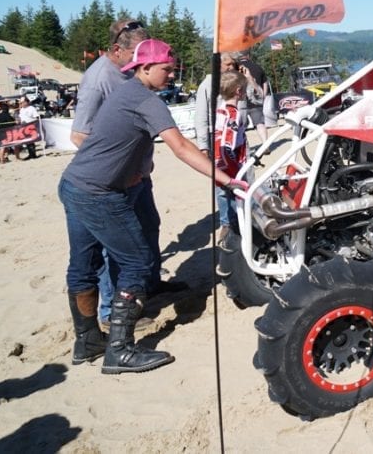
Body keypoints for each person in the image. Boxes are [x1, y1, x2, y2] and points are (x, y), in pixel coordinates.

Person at [60, 39, 248, 373]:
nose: (172, 74)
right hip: (100, 193)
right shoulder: (147, 100)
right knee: (137, 262)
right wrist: (225, 179)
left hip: (74, 184)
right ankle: (120, 350)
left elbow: (114, 139)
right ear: (144, 67)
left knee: (83, 266)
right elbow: (180, 146)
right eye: (167, 68)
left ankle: (87, 341)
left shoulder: (125, 92)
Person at [71, 19, 184, 330]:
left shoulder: (138, 82)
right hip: (110, 182)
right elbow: (80, 135)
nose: (141, 58)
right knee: (115, 248)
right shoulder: (97, 80)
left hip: (137, 176)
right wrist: (117, 172)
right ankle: (111, 312)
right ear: (117, 50)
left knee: (149, 228)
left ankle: (149, 285)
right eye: (136, 53)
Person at [213, 70, 248, 232]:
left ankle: (226, 223)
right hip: (230, 165)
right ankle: (233, 227)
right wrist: (233, 172)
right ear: (239, 91)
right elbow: (227, 144)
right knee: (235, 196)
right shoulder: (233, 114)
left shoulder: (219, 109)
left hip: (217, 163)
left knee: (221, 194)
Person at [237, 56, 269, 145]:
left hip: (241, 101)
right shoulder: (258, 67)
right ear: (248, 57)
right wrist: (263, 97)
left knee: (240, 126)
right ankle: (265, 144)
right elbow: (265, 83)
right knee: (260, 123)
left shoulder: (237, 68)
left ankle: (242, 146)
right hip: (256, 101)